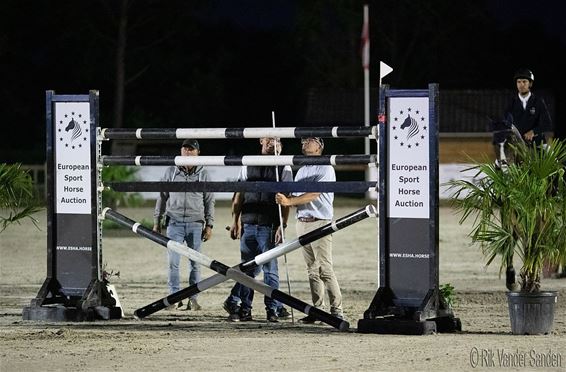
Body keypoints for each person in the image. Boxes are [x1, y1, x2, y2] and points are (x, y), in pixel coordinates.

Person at [223, 137, 293, 322]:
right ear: (261, 141)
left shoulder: (284, 167)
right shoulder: (247, 163)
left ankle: (272, 309)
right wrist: (235, 221)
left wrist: (282, 225)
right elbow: (238, 196)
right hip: (248, 225)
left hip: (269, 226)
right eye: (269, 139)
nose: (273, 143)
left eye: (277, 140)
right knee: (247, 270)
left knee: (270, 271)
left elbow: (286, 200)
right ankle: (245, 309)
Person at [275, 137, 344, 322]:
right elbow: (296, 196)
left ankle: (337, 311)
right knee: (312, 270)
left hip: (320, 222)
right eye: (303, 140)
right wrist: (285, 198)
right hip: (302, 222)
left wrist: (289, 201)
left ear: (320, 147)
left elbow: (314, 194)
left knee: (324, 269)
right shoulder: (303, 169)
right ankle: (317, 310)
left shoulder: (326, 168)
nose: (304, 142)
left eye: (310, 140)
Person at [153, 139, 215, 310]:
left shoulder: (204, 174)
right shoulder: (170, 172)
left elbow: (209, 200)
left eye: (191, 149)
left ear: (198, 153)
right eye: (185, 149)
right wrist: (156, 222)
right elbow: (162, 197)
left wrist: (209, 225)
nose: (188, 152)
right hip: (174, 223)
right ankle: (174, 297)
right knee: (173, 263)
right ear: (180, 152)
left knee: (195, 264)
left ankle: (193, 298)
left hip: (196, 224)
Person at [504, 68, 553, 146]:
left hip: (537, 143)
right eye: (519, 82)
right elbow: (506, 123)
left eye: (524, 81)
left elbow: (547, 123)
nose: (521, 84)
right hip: (518, 144)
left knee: (552, 157)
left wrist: (534, 132)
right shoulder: (511, 103)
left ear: (530, 84)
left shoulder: (538, 101)